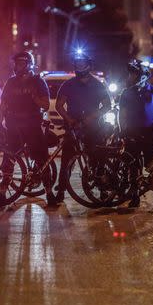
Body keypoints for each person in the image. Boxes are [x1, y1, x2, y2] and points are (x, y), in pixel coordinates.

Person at [54, 50, 111, 204]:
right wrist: (70, 120)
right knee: (66, 160)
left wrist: (91, 118)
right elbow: (59, 105)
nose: (79, 66)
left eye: (82, 63)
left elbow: (107, 106)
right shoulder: (68, 84)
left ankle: (103, 189)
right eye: (77, 63)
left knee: (97, 159)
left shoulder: (98, 84)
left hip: (94, 128)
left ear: (89, 65)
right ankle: (61, 190)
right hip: (73, 128)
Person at [0, 51, 53, 205]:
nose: (17, 66)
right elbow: (3, 105)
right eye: (15, 63)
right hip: (13, 127)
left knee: (42, 160)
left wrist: (35, 98)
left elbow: (46, 105)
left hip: (33, 126)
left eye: (20, 63)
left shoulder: (38, 82)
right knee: (8, 161)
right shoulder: (11, 82)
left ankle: (49, 193)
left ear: (28, 64)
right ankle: (1, 194)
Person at [118, 60, 153, 209]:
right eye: (131, 73)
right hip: (132, 134)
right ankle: (135, 196)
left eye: (134, 73)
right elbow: (121, 115)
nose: (130, 76)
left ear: (141, 75)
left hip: (150, 134)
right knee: (133, 167)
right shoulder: (126, 92)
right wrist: (122, 130)